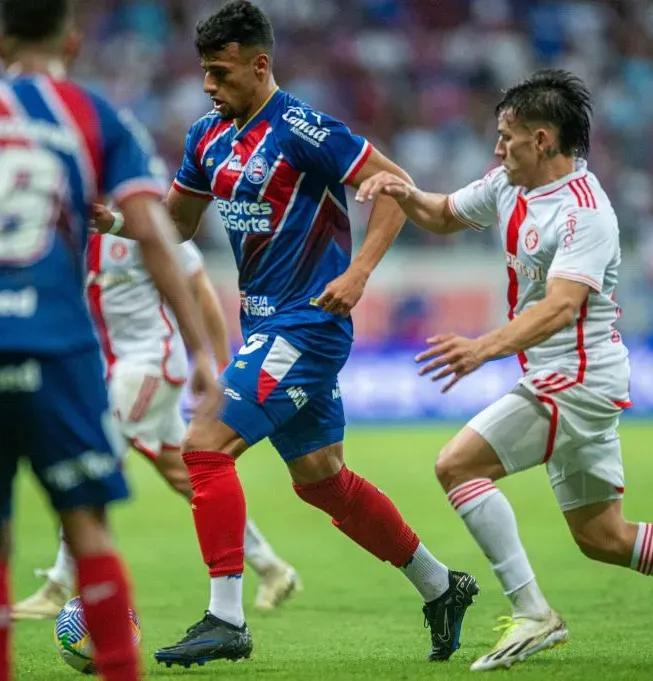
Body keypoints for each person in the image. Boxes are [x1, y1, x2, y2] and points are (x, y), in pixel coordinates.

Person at [355, 68, 653, 671]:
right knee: (603, 538)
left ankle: (534, 613)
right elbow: (441, 214)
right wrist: (400, 191)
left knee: (457, 465)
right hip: (563, 374)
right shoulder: (507, 186)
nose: (496, 148)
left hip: (580, 376)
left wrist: (483, 348)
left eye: (506, 136)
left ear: (542, 140)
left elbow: (563, 306)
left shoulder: (586, 213)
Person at [0, 1, 220, 679]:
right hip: (52, 338)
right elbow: (154, 232)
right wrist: (203, 351)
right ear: (71, 38)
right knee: (87, 523)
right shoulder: (94, 117)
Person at [153, 0, 478, 668]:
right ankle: (441, 585)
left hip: (310, 322)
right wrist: (116, 220)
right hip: (265, 323)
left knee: (204, 444)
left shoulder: (303, 128)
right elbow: (174, 224)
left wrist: (359, 274)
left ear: (259, 63)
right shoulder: (206, 138)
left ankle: (226, 616)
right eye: (204, 74)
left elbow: (394, 187)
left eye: (220, 72)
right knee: (321, 478)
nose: (209, 86)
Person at [12, 205, 300, 621]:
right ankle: (273, 568)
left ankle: (60, 584)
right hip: (118, 369)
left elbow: (200, 292)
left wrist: (221, 369)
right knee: (182, 473)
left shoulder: (143, 220)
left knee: (88, 454)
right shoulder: (69, 234)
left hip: (151, 365)